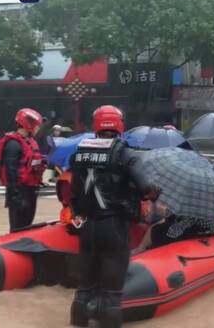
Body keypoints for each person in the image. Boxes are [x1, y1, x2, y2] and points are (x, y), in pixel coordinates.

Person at [69, 105, 142, 328]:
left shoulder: (80, 154)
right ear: (120, 125)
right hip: (113, 226)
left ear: (96, 125)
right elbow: (146, 186)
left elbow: (73, 196)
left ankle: (79, 320)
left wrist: (76, 220)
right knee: (112, 292)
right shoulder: (126, 153)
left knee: (84, 288)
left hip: (87, 225)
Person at [0, 108, 46, 233]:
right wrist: (15, 195)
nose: (38, 128)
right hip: (19, 192)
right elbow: (10, 170)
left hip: (30, 190)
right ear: (29, 124)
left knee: (27, 226)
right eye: (36, 125)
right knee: (18, 228)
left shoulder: (30, 141)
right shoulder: (13, 144)